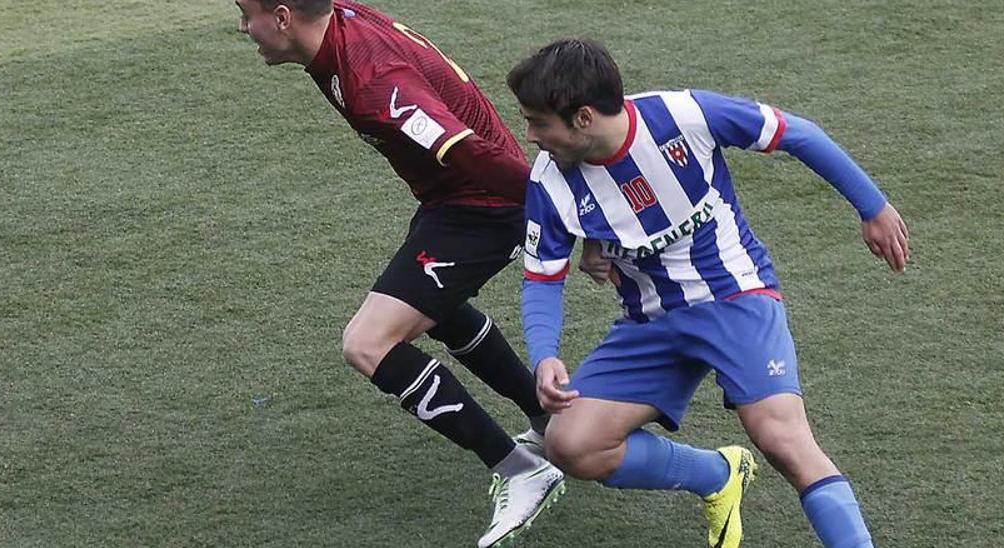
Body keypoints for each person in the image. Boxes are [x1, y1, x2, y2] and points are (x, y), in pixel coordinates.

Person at [509, 38, 908, 548]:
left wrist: (872, 207)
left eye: (539, 122)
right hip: (650, 323)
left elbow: (798, 134)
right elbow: (542, 278)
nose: (530, 136)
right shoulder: (550, 182)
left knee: (782, 440)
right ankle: (717, 475)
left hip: (734, 298)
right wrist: (545, 356)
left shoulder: (682, 116)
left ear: (583, 118)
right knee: (571, 444)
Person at [233, 1, 565, 546]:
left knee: (368, 343)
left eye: (248, 14)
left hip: (482, 208)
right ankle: (545, 420)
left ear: (285, 17)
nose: (245, 28)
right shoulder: (341, 21)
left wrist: (554, 206)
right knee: (435, 309)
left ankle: (519, 470)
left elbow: (469, 152)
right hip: (450, 203)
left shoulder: (371, 81)